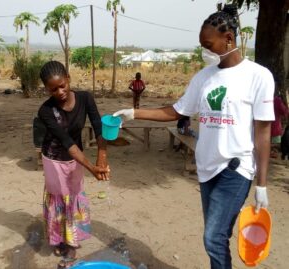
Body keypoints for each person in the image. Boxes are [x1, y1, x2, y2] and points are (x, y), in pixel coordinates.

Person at [113, 4, 274, 269]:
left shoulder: (258, 77)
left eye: (208, 44)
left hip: (236, 168)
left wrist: (262, 184)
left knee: (212, 237)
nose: (204, 51)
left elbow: (263, 132)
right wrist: (133, 112)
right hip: (206, 167)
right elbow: (176, 111)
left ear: (229, 39)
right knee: (218, 236)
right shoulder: (204, 77)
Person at [38, 61, 110, 269]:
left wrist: (101, 158)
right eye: (53, 89)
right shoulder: (46, 110)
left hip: (75, 157)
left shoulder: (85, 98)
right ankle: (63, 240)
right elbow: (66, 142)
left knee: (74, 194)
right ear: (46, 89)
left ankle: (71, 238)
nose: (60, 92)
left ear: (68, 78)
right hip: (54, 158)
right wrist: (92, 168)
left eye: (62, 85)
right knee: (59, 198)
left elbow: (98, 126)